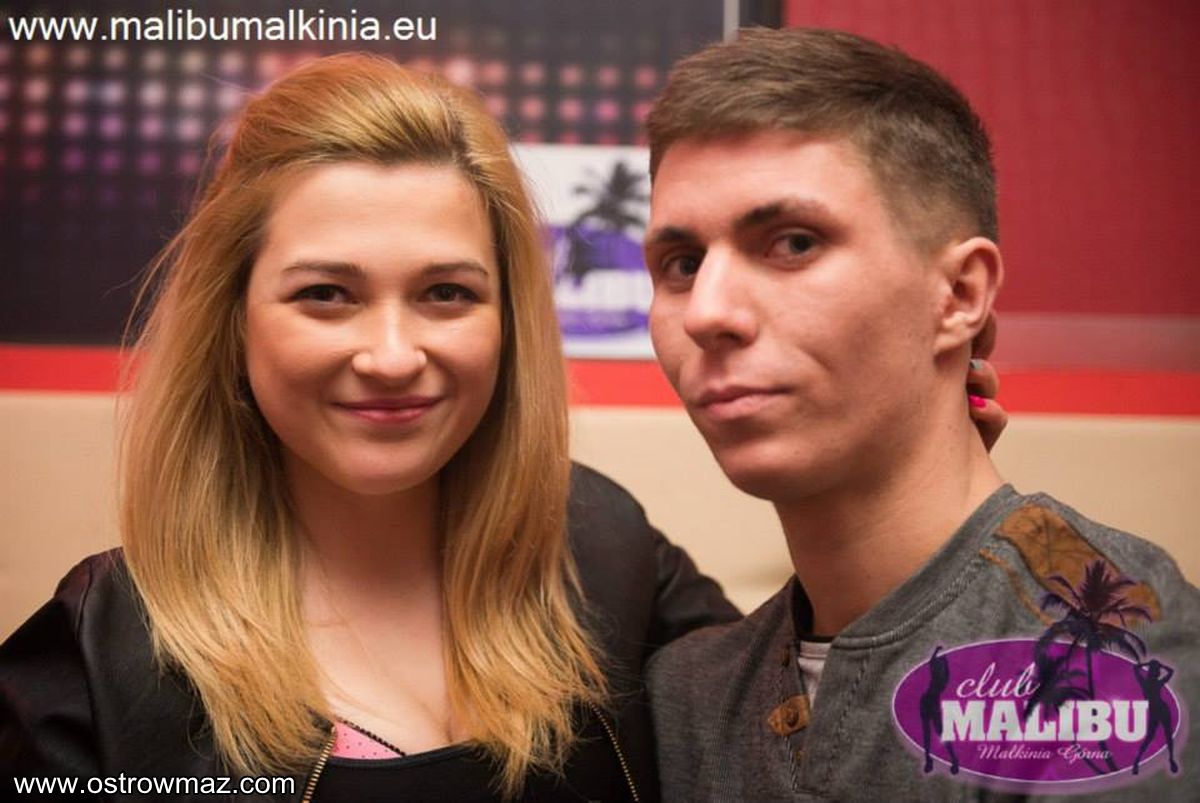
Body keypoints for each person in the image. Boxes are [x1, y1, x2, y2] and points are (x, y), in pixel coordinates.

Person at [0, 53, 742, 802]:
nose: (392, 357)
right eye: (326, 294)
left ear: (509, 322)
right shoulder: (101, 654)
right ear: (233, 320)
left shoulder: (607, 551)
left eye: (446, 293)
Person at [641, 28, 1199, 801]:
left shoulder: (1104, 652)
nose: (707, 312)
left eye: (793, 243)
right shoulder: (687, 695)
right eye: (681, 264)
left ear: (960, 295)